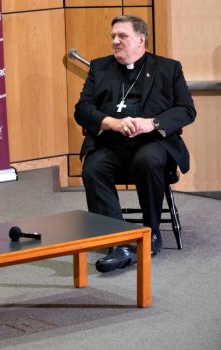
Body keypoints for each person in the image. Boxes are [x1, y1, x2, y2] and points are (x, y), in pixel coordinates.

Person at [74, 15, 196, 273]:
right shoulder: (100, 67)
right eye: (113, 36)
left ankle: (150, 234)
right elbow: (82, 110)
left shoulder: (168, 68)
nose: (115, 41)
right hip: (111, 144)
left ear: (141, 39)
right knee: (93, 168)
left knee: (148, 160)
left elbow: (186, 110)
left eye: (122, 36)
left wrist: (152, 123)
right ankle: (116, 240)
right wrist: (110, 122)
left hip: (152, 143)